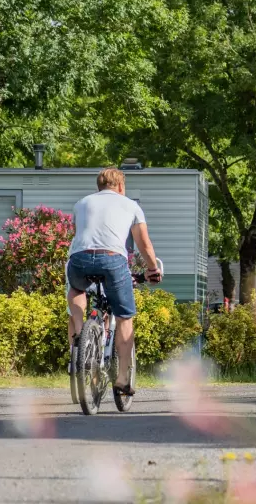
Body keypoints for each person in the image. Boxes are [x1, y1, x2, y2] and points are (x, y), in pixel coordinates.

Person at [66, 168, 161, 396]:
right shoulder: (131, 205)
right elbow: (144, 244)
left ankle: (79, 334)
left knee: (77, 289)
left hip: (79, 260)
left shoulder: (81, 203)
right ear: (120, 186)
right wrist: (152, 269)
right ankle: (123, 379)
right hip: (112, 260)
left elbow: (81, 235)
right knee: (124, 317)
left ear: (99, 186)